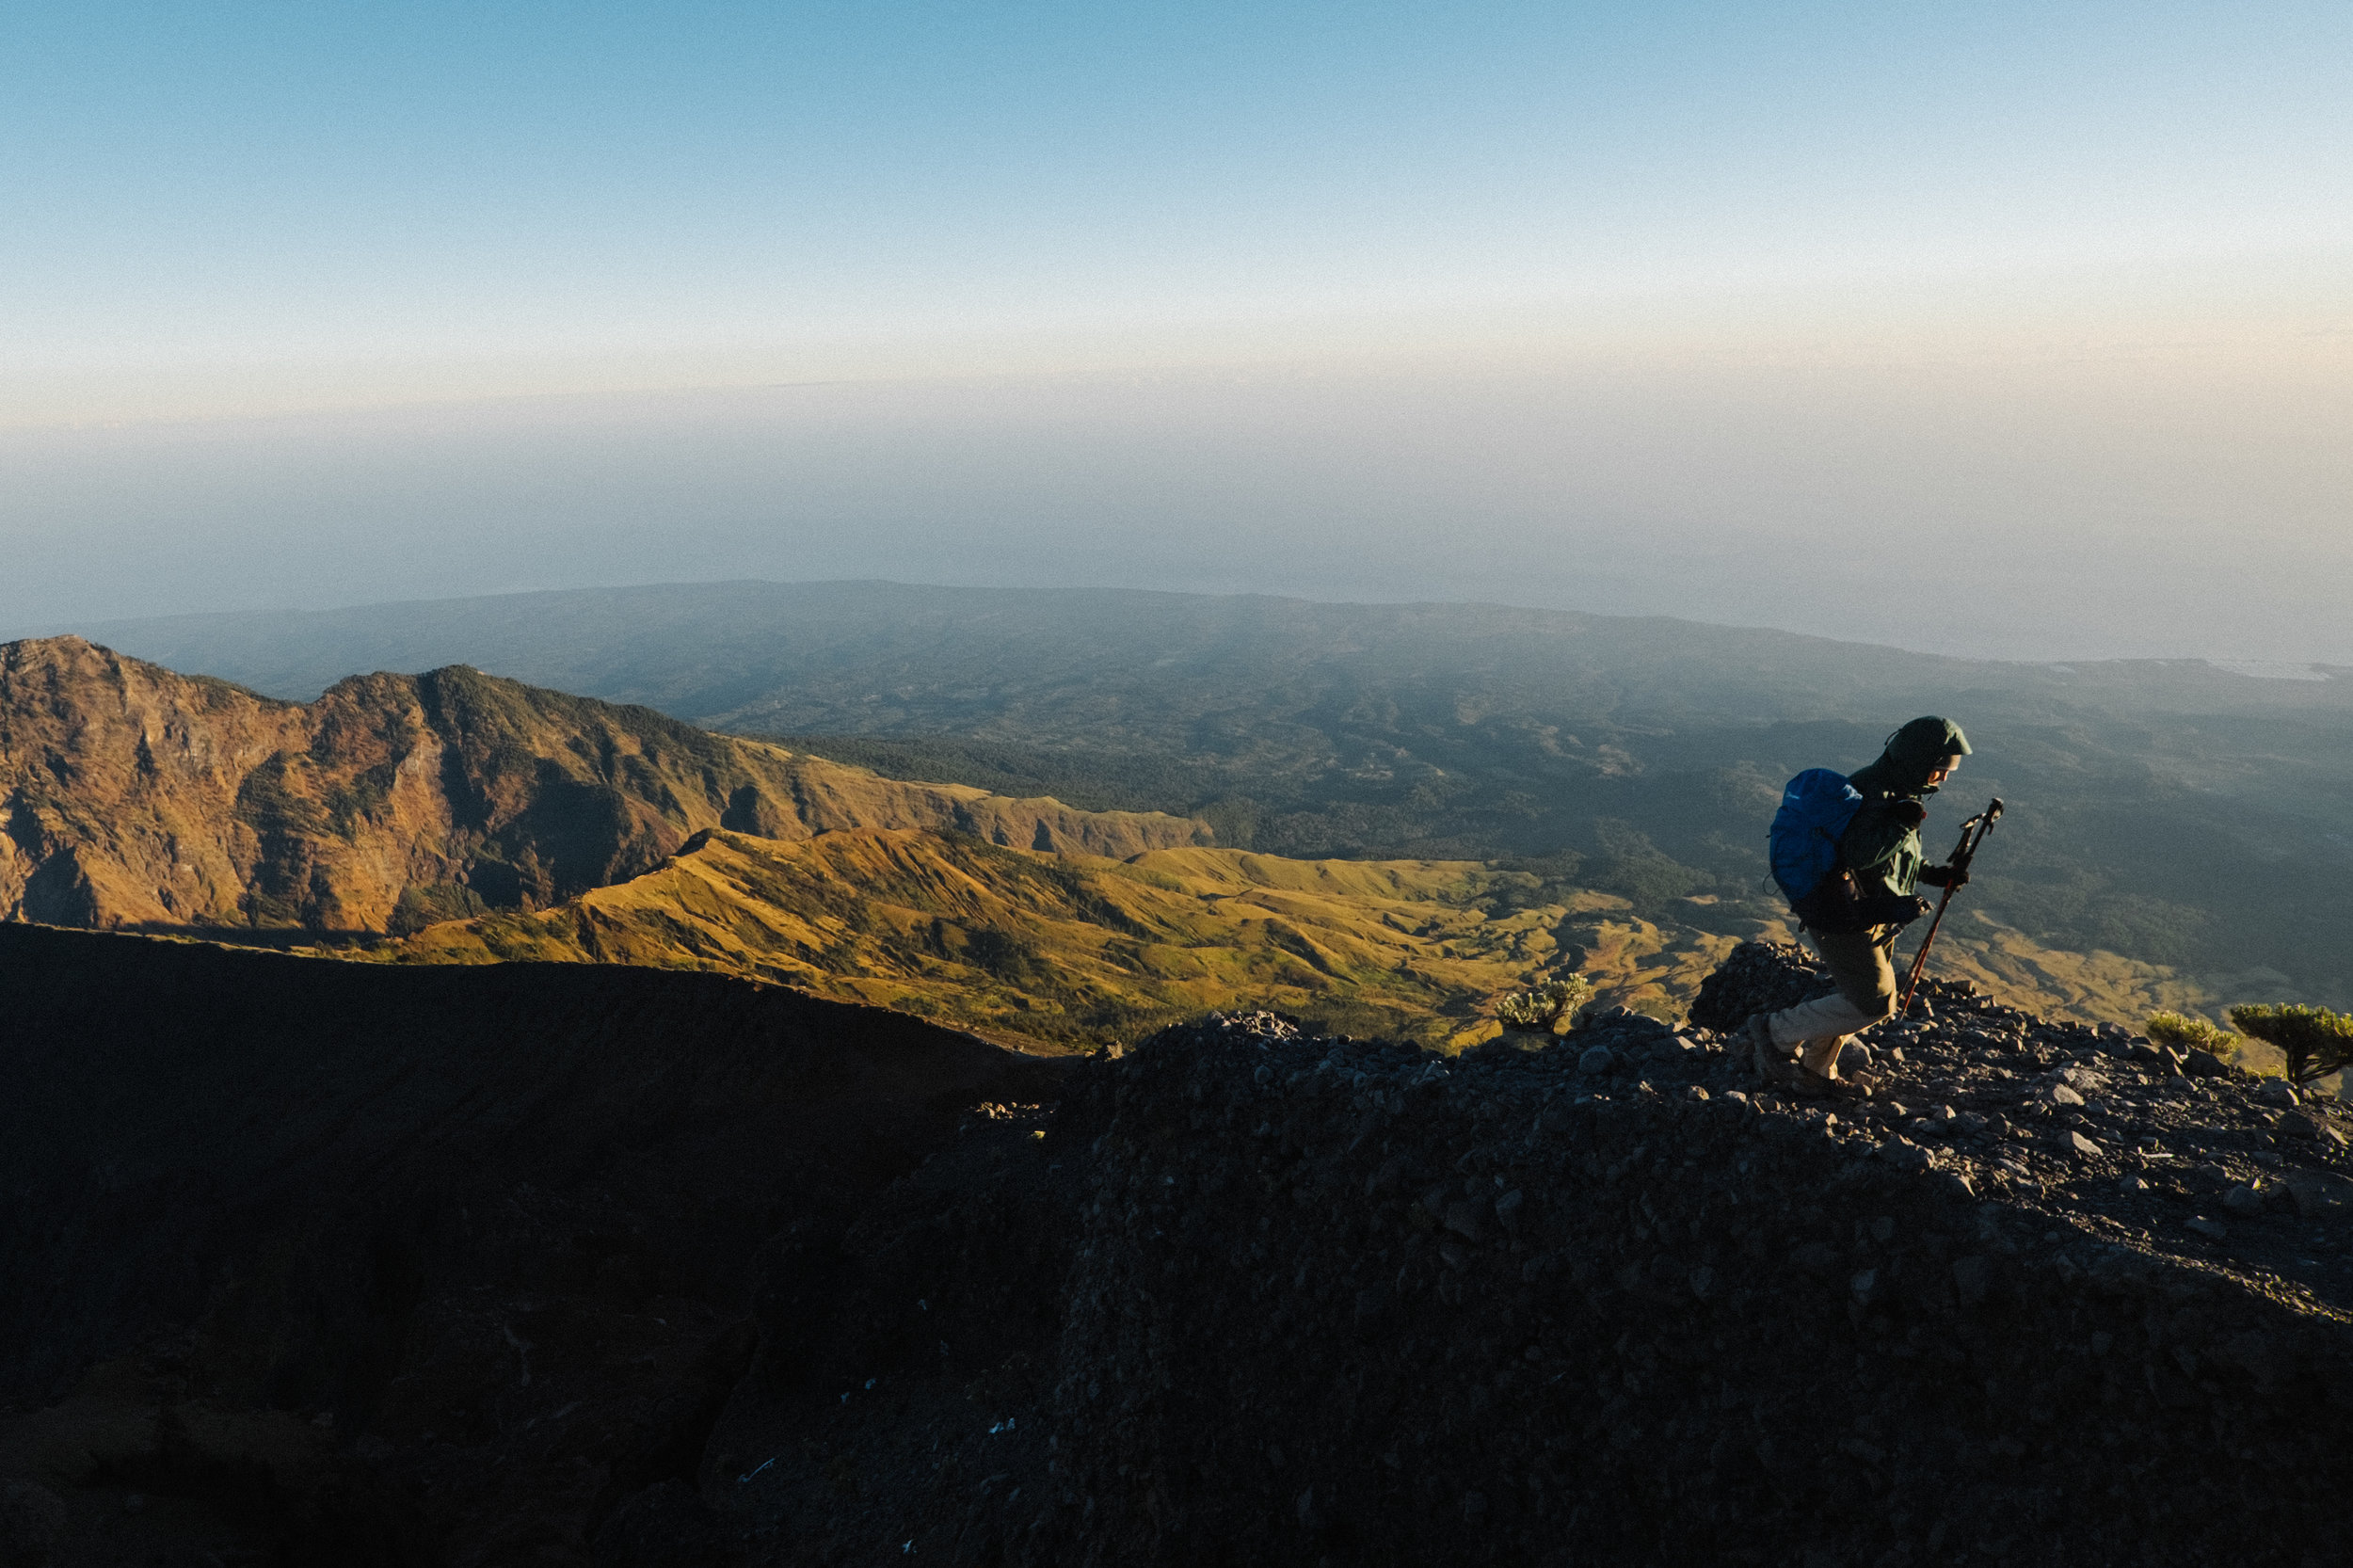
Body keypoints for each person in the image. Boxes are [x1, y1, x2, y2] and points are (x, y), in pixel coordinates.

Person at [1748, 716, 1972, 1096]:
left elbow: (1897, 859)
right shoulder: (1874, 794)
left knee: (1859, 996)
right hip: (1845, 916)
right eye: (1940, 769)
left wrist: (1934, 874)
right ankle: (1774, 1031)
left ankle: (1818, 1070)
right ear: (1918, 761)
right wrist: (1901, 824)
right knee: (1875, 1002)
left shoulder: (1898, 794)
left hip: (1876, 914)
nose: (1944, 779)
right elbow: (1860, 854)